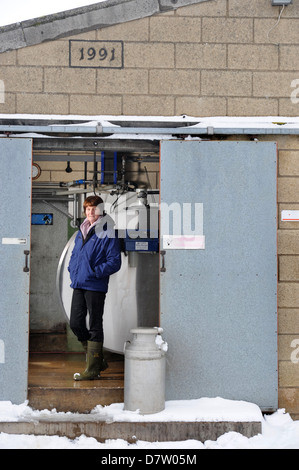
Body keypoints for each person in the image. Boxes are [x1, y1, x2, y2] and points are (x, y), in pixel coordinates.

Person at [68, 195, 121, 380]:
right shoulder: (81, 230)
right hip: (79, 283)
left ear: (100, 210)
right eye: (87, 208)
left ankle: (92, 369)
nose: (90, 211)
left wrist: (93, 271)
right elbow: (76, 255)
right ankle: (98, 360)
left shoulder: (108, 231)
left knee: (95, 325)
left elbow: (115, 261)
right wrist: (72, 270)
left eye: (94, 208)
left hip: (95, 284)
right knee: (75, 323)